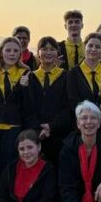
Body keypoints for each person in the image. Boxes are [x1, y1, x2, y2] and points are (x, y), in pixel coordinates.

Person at [0, 37, 39, 191]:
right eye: (8, 50)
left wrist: (26, 89)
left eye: (16, 51)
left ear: (20, 54)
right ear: (1, 52)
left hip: (13, 129)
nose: (12, 54)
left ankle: (5, 201)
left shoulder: (26, 74)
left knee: (9, 169)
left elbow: (30, 107)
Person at [67, 33, 101, 140]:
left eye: (97, 47)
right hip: (83, 126)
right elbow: (73, 101)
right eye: (90, 45)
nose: (93, 49)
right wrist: (97, 109)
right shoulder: (73, 73)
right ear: (84, 46)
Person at [32, 36, 73, 164]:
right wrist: (38, 128)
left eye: (52, 49)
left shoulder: (67, 76)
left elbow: (68, 107)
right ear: (38, 52)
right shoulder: (30, 77)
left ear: (57, 52)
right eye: (44, 49)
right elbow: (27, 107)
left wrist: (51, 126)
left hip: (59, 133)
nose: (48, 52)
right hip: (35, 134)